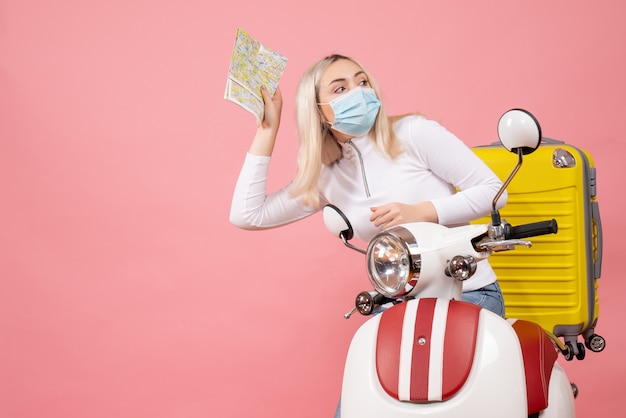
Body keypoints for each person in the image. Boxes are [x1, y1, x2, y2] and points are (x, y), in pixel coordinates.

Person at [230, 53, 507, 315]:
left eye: (362, 82)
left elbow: (493, 191)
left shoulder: (414, 133)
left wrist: (422, 211)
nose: (359, 92)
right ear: (317, 111)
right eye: (340, 89)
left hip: (467, 293)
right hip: (398, 305)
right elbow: (248, 215)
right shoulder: (325, 176)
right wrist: (268, 130)